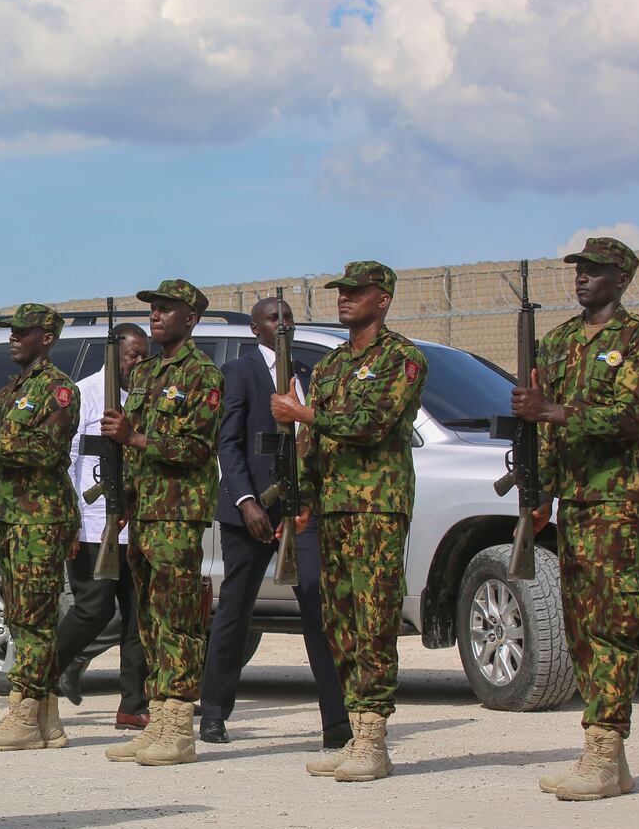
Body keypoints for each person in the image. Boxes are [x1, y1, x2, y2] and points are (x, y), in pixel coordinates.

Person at [273, 260, 426, 783]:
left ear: (382, 299)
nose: (345, 298)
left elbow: (372, 424)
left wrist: (303, 414)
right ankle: (355, 733)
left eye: (356, 292)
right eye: (341, 291)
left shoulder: (402, 358)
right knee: (339, 620)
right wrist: (302, 495)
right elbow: (315, 443)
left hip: (377, 507)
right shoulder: (334, 364)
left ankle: (375, 740)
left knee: (375, 618)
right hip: (335, 508)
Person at [515, 236, 639, 801]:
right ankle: (605, 755)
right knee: (579, 622)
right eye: (579, 269)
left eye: (596, 271)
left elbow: (632, 416)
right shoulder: (561, 341)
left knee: (615, 621)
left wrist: (554, 410)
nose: (582, 278)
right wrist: (537, 488)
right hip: (573, 501)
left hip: (618, 501)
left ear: (622, 280)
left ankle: (604, 747)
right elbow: (541, 428)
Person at [200, 297, 347, 749]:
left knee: (318, 606)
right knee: (235, 611)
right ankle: (213, 714)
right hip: (253, 511)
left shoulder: (306, 374)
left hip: (300, 512)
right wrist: (246, 502)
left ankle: (337, 724)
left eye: (288, 318)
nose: (282, 325)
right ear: (254, 328)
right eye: (272, 319)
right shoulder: (241, 372)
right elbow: (228, 443)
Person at [101, 279, 224, 767]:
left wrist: (135, 440)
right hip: (146, 512)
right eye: (153, 308)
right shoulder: (147, 373)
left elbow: (198, 448)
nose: (155, 315)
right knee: (149, 619)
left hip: (178, 512)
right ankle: (156, 716)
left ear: (190, 318)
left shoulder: (202, 375)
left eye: (166, 309)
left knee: (179, 618)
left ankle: (178, 723)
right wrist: (124, 497)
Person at [0, 304, 81, 751]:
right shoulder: (9, 393)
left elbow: (47, 450)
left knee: (32, 617)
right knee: (21, 615)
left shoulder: (59, 390)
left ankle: (25, 713)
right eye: (11, 331)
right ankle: (46, 718)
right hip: (13, 517)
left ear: (46, 338)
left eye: (23, 332)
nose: (13, 338)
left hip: (42, 518)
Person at [57, 322, 152, 728]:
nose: (139, 363)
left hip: (137, 524)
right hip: (94, 524)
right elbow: (68, 461)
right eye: (133, 355)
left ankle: (133, 704)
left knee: (138, 619)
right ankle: (41, 675)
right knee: (92, 610)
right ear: (113, 354)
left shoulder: (145, 399)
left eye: (145, 356)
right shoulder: (83, 394)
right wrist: (71, 524)